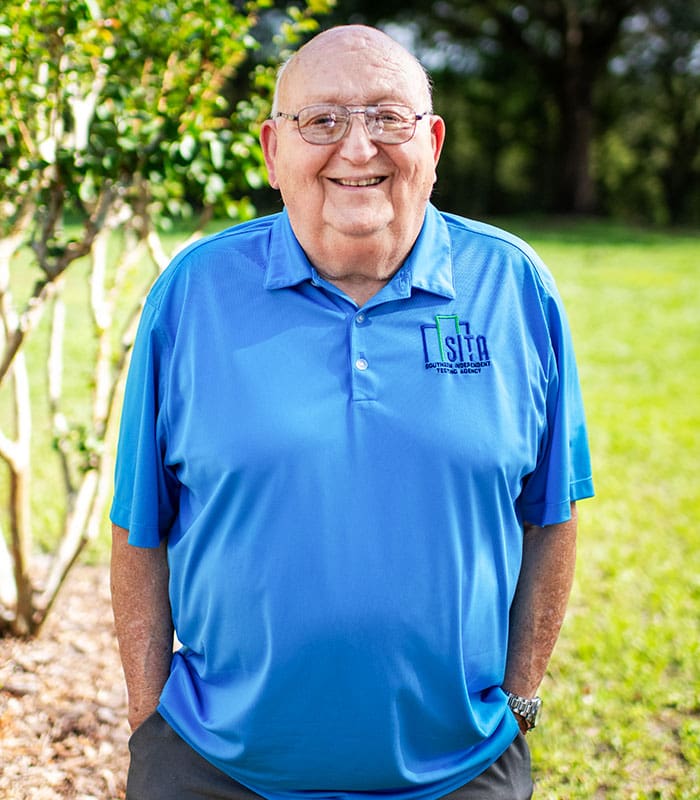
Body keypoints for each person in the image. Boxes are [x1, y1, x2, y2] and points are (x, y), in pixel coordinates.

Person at [110, 24, 594, 800]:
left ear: (432, 143)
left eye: (387, 117)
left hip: (460, 773)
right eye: (322, 120)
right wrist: (149, 731)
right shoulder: (191, 294)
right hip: (215, 772)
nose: (358, 147)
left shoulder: (516, 289)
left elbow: (552, 515)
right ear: (273, 151)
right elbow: (141, 527)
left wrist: (521, 701)